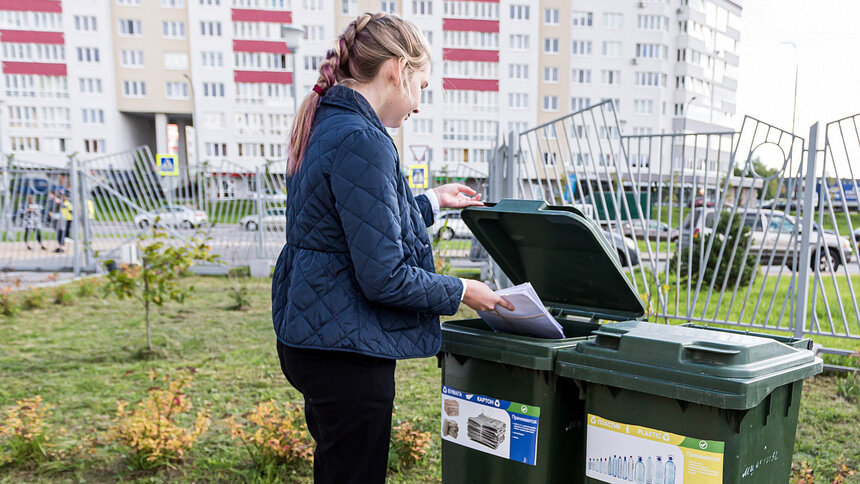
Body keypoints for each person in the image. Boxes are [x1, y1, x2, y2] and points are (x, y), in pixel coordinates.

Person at [271, 12, 514, 484]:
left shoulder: (325, 125)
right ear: (396, 70)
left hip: (314, 336)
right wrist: (464, 290)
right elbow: (384, 274)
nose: (419, 105)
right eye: (422, 86)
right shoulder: (364, 140)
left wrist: (430, 200)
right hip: (347, 352)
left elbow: (347, 228)